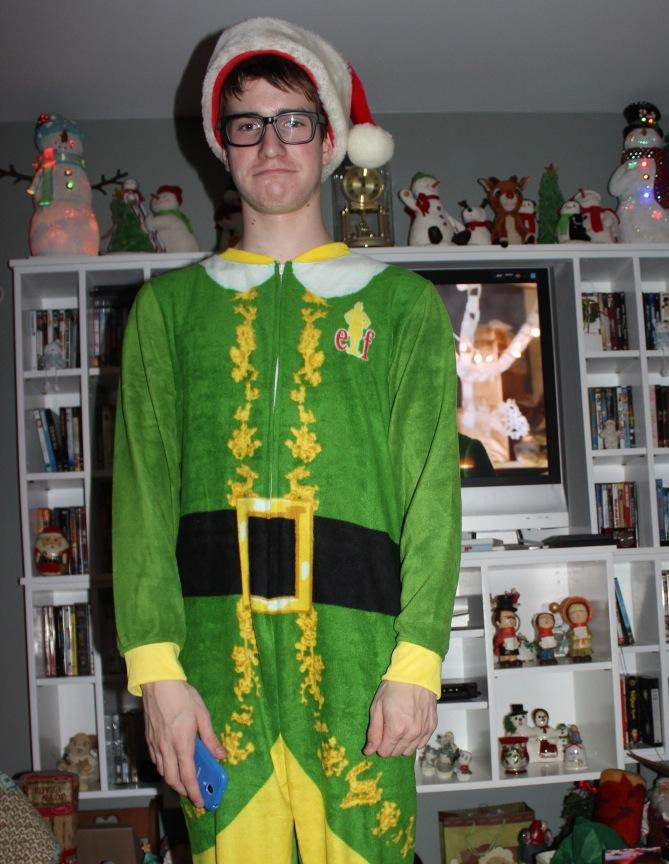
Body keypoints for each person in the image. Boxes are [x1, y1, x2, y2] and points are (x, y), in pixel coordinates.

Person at [112, 17, 461, 864]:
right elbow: (142, 498)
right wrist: (158, 677)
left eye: (294, 120)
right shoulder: (167, 312)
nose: (271, 143)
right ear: (222, 146)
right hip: (213, 679)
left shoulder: (402, 308)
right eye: (248, 124)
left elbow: (433, 499)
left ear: (331, 139)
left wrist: (417, 663)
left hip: (360, 674)